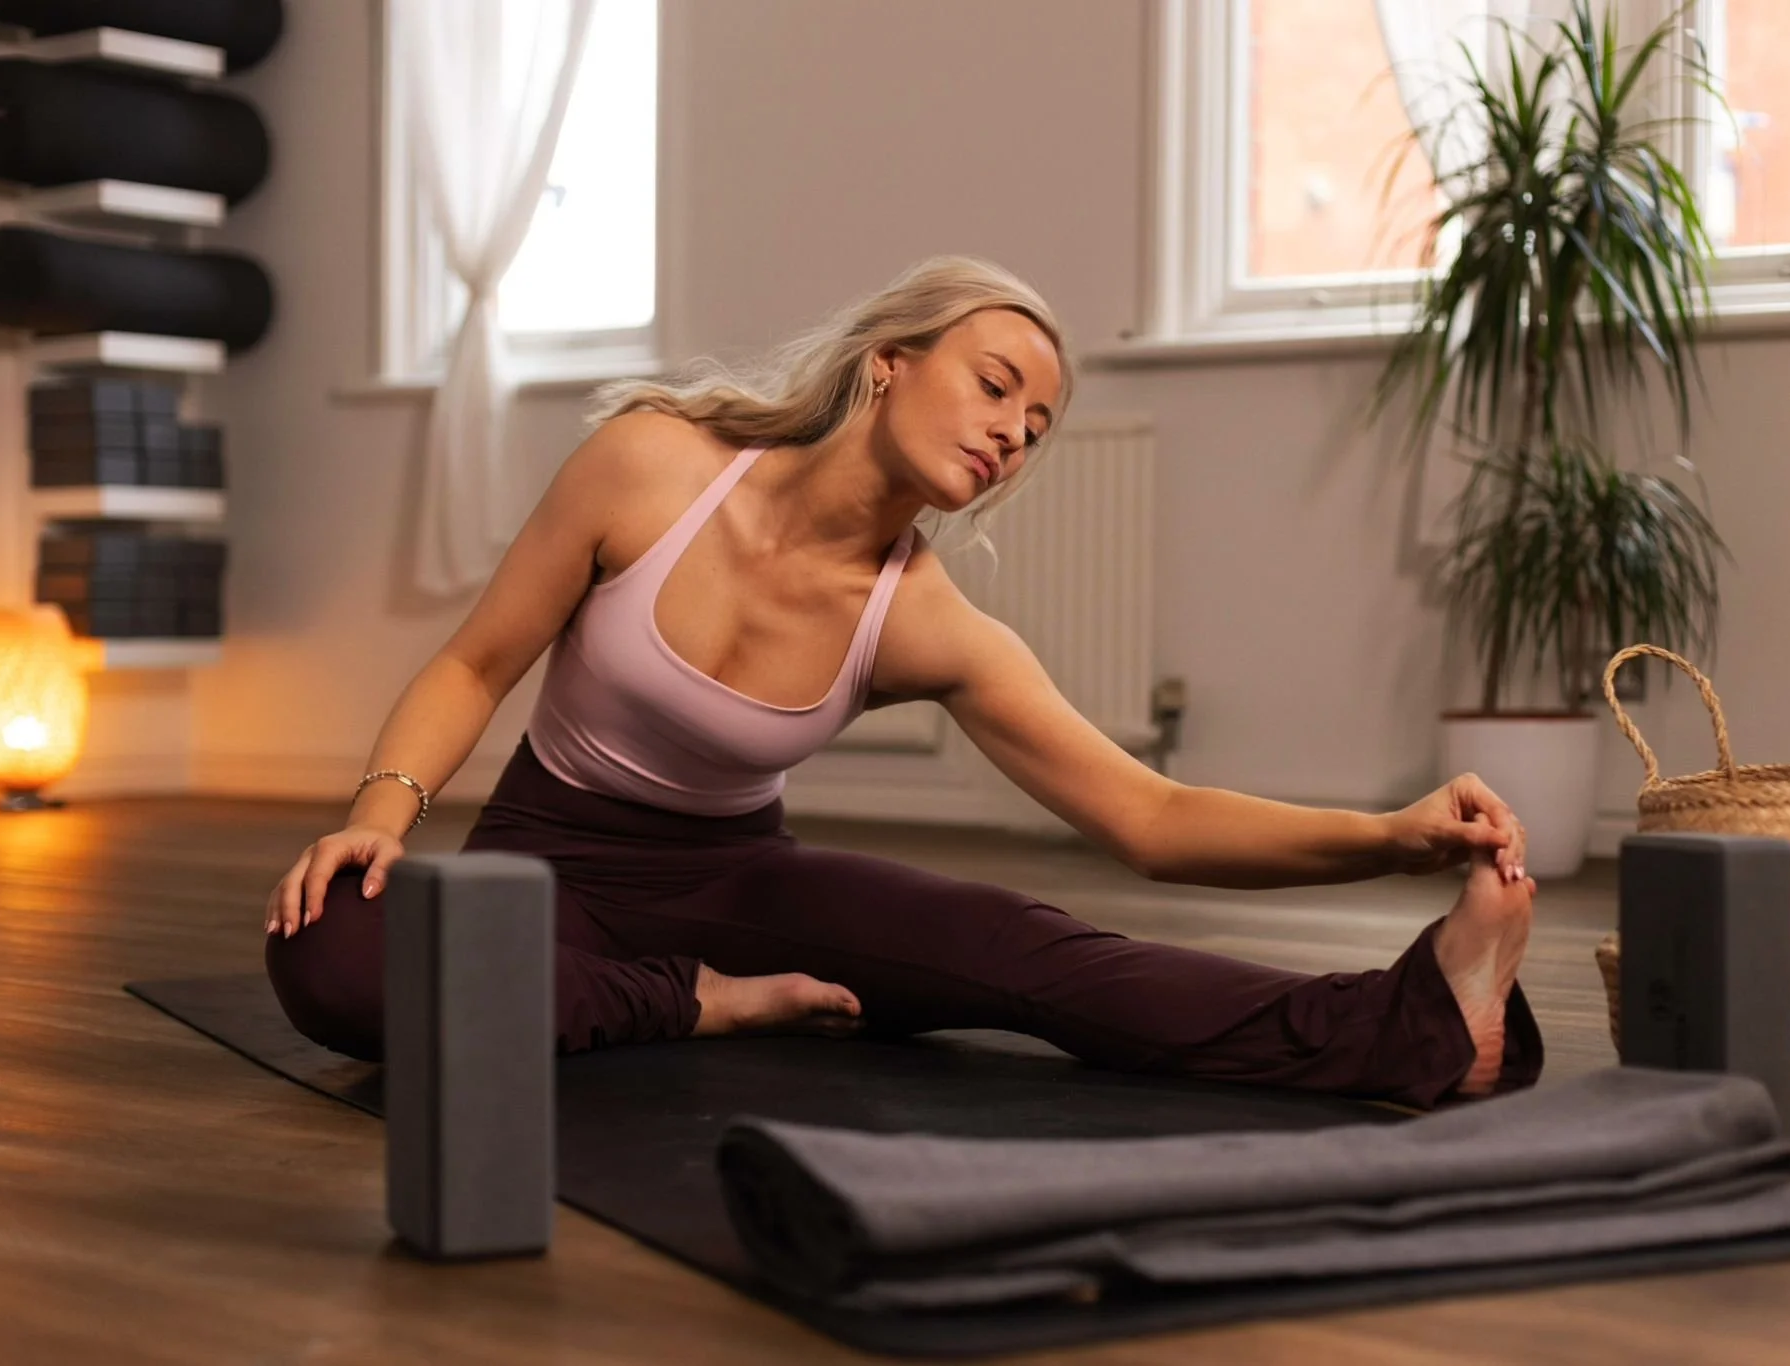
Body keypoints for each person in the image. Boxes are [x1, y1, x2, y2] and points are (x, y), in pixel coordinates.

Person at [264, 255, 1542, 1110]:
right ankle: (696, 1007)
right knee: (328, 953)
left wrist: (1388, 835)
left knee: (1039, 958)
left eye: (1035, 429)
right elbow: (476, 659)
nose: (1010, 435)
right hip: (544, 873)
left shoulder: (926, 622)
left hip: (741, 885)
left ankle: (1415, 1020)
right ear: (888, 360)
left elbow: (1147, 820)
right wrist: (378, 820)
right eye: (995, 388)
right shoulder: (650, 464)